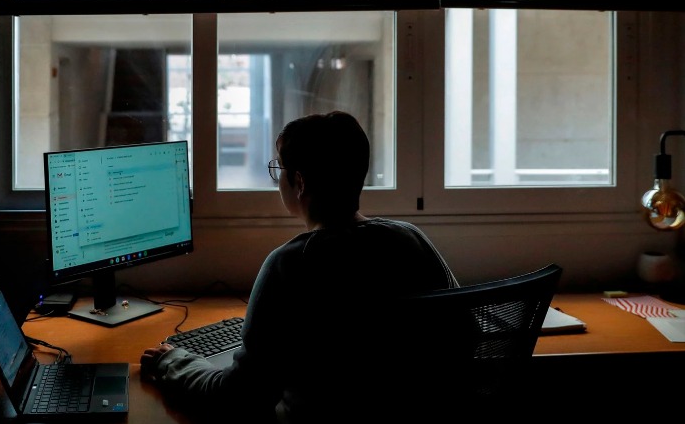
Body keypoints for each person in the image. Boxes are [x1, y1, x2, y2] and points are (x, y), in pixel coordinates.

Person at [140, 110, 459, 423]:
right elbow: (464, 334)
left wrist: (172, 361)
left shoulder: (290, 263)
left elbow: (236, 398)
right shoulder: (412, 240)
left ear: (299, 182)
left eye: (279, 168)